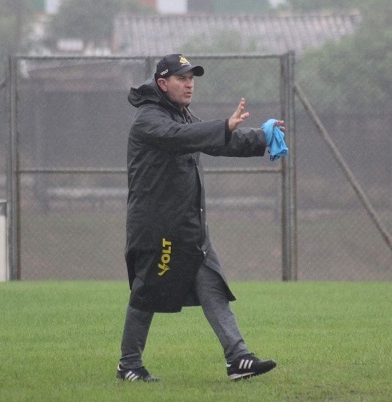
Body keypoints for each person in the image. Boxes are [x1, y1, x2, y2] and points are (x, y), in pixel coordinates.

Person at [117, 53, 284, 382]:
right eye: (182, 78)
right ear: (163, 84)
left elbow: (216, 142)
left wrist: (262, 137)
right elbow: (186, 138)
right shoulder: (149, 120)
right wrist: (223, 125)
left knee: (213, 287)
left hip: (188, 226)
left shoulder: (180, 115)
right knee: (147, 291)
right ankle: (128, 365)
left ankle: (238, 358)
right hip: (157, 228)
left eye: (192, 78)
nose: (190, 83)